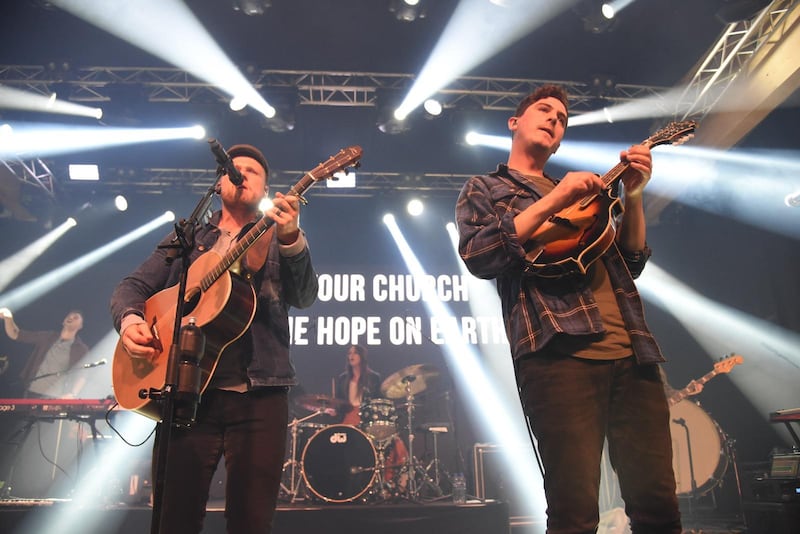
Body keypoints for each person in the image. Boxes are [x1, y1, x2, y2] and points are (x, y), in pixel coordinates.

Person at [455, 85, 682, 533]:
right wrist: (556, 200)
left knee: (657, 502)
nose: (554, 119)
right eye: (544, 110)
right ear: (514, 122)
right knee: (574, 509)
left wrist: (633, 197)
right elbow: (481, 255)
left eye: (561, 118)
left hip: (632, 351)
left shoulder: (589, 194)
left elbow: (630, 261)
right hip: (558, 355)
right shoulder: (485, 187)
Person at [110, 144, 318, 534]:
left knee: (251, 522)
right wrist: (132, 321)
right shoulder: (189, 238)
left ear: (266, 189)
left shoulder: (275, 237)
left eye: (251, 171)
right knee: (175, 517)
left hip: (260, 395)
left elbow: (305, 296)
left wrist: (291, 238)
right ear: (219, 181)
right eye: (232, 169)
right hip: (187, 395)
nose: (240, 174)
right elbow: (132, 286)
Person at [333, 344, 408, 494]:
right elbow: (339, 403)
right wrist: (332, 409)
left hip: (368, 415)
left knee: (394, 441)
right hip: (349, 416)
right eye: (349, 353)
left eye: (355, 353)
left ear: (362, 357)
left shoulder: (374, 377)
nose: (351, 356)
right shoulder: (342, 379)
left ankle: (392, 481)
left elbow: (379, 401)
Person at [0, 307, 89, 398]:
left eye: (76, 317)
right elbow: (16, 334)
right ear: (63, 321)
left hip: (55, 397)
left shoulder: (80, 349)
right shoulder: (48, 337)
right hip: (31, 393)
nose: (71, 317)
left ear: (81, 326)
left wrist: (73, 394)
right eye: (69, 316)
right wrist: (8, 318)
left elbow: (83, 374)